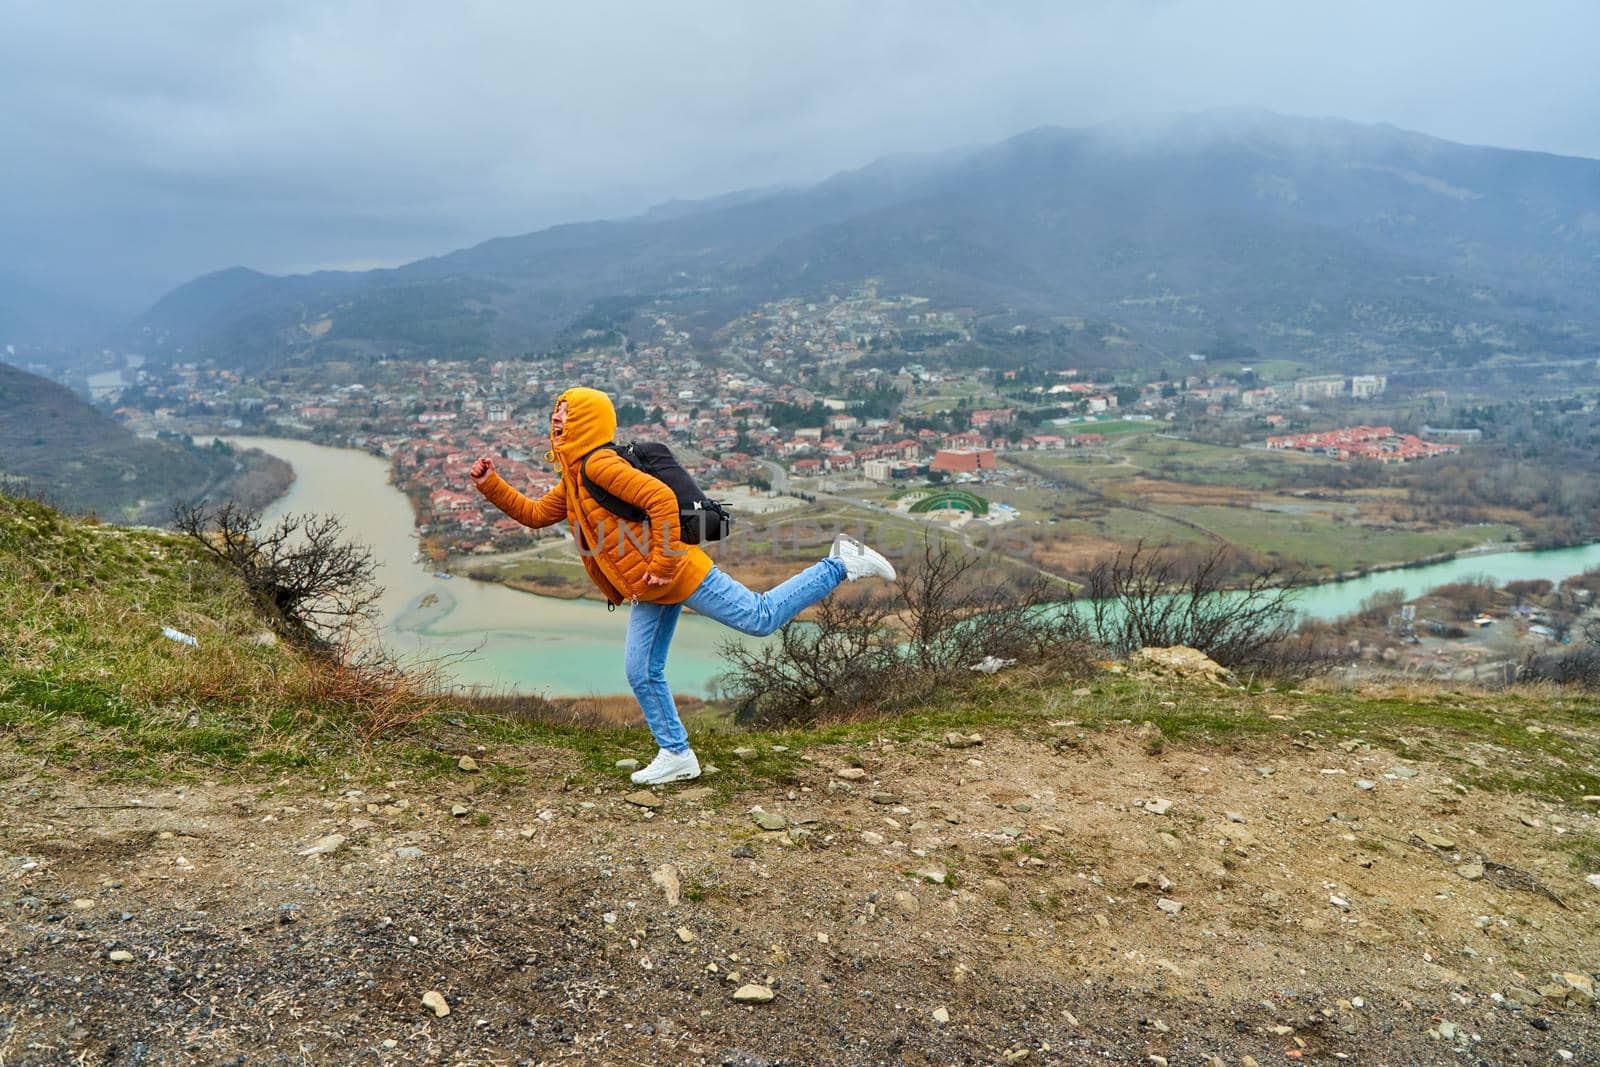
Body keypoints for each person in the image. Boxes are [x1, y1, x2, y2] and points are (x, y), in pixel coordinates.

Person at [469, 386, 896, 785]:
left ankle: (840, 562)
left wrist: (663, 561)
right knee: (641, 671)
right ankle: (677, 755)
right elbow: (536, 513)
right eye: (555, 412)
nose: (557, 418)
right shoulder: (575, 476)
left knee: (760, 617)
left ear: (588, 420)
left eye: (566, 412)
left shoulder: (600, 465)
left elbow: (661, 501)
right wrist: (491, 485)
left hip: (675, 572)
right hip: (652, 586)